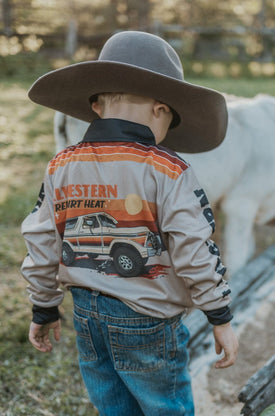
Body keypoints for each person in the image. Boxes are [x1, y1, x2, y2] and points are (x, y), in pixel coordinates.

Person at [21, 31, 238, 416]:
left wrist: (43, 306)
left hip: (86, 315)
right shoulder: (168, 168)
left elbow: (40, 240)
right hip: (149, 319)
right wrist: (218, 312)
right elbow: (194, 247)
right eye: (169, 123)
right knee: (163, 407)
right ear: (160, 110)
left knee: (112, 405)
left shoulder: (61, 165)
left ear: (96, 106)